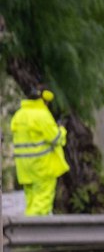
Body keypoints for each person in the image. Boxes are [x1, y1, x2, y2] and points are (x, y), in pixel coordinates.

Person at [10, 87, 70, 217]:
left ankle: (27, 231)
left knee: (31, 202)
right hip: (42, 167)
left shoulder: (19, 114)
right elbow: (55, 138)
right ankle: (33, 233)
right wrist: (62, 129)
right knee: (41, 204)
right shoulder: (42, 115)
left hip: (24, 168)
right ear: (45, 100)